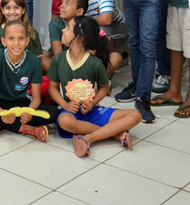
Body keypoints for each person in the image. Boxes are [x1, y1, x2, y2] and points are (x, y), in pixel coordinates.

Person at [48, 16, 141, 157]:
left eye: (67, 28)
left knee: (135, 115)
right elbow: (52, 88)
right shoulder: (59, 58)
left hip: (91, 110)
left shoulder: (94, 63)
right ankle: (113, 134)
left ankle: (89, 138)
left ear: (79, 38)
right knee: (63, 121)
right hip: (70, 111)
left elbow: (104, 87)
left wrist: (92, 103)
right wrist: (64, 105)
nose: (63, 30)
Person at [0, 21, 59, 142]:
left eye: (20, 38)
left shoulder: (34, 61)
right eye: (11, 38)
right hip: (0, 104)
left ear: (27, 41)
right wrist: (1, 112)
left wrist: (29, 112)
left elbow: (36, 98)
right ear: (3, 41)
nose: (16, 43)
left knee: (53, 112)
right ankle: (30, 129)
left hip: (23, 106)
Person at [73, 0, 127, 77]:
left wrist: (84, 23)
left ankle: (104, 68)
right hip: (92, 28)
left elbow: (107, 20)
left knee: (99, 31)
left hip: (118, 28)